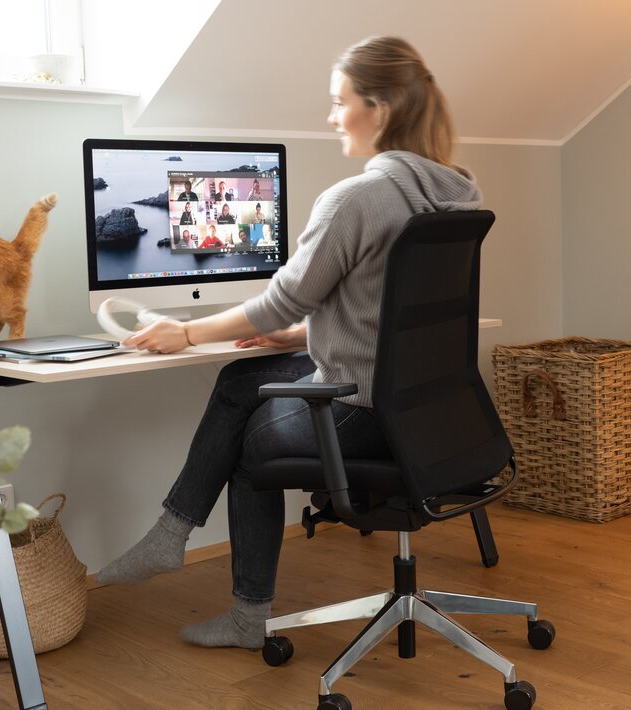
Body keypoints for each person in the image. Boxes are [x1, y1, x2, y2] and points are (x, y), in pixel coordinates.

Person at [97, 35, 480, 651]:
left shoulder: (357, 200)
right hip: (429, 414)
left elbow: (282, 297)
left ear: (379, 109)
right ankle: (170, 536)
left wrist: (186, 332)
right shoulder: (453, 193)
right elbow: (390, 316)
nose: (331, 117)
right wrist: (304, 335)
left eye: (339, 101)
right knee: (239, 381)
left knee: (249, 449)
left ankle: (237, 607)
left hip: (367, 414)